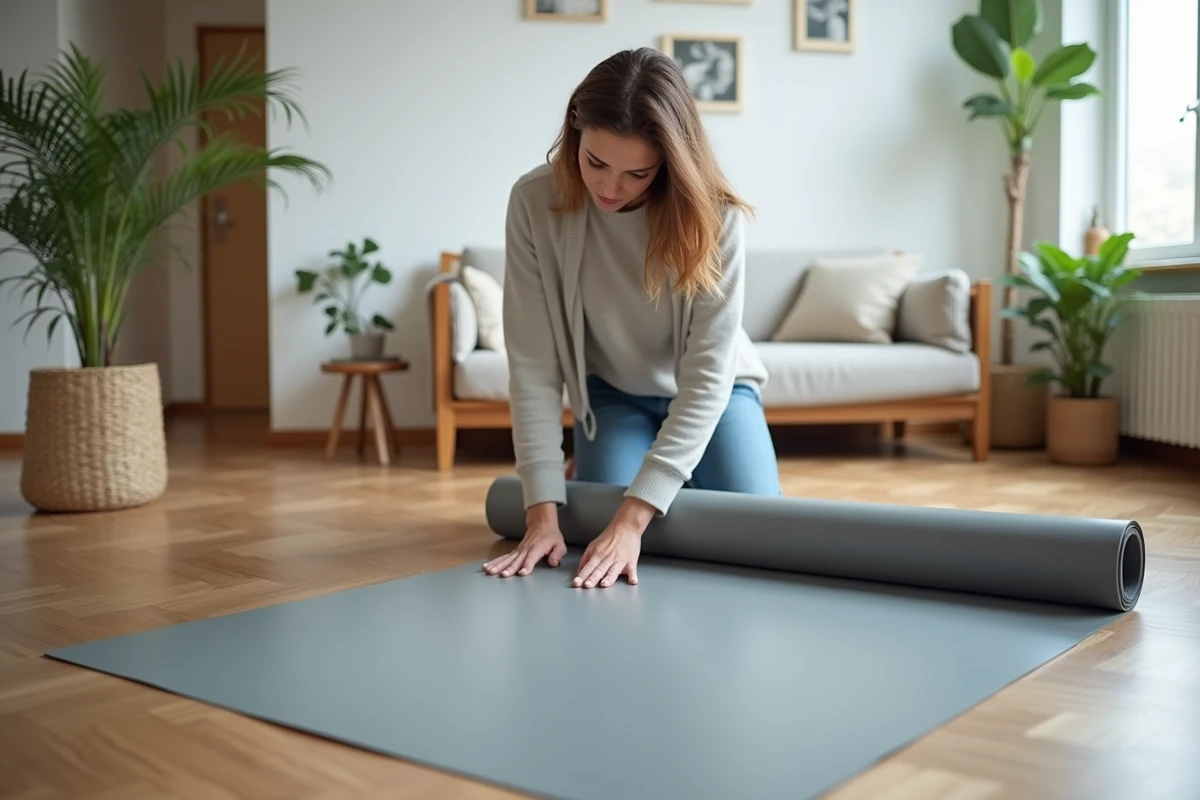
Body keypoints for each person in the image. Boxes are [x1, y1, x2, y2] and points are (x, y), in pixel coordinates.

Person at [482, 47, 780, 590]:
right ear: (575, 130)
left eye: (637, 173)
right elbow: (532, 367)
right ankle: (622, 468)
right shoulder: (532, 201)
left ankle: (664, 474)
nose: (610, 188)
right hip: (612, 396)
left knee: (756, 532)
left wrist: (632, 517)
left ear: (669, 162)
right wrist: (542, 515)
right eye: (595, 162)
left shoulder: (718, 217)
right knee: (597, 532)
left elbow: (709, 377)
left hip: (719, 394)